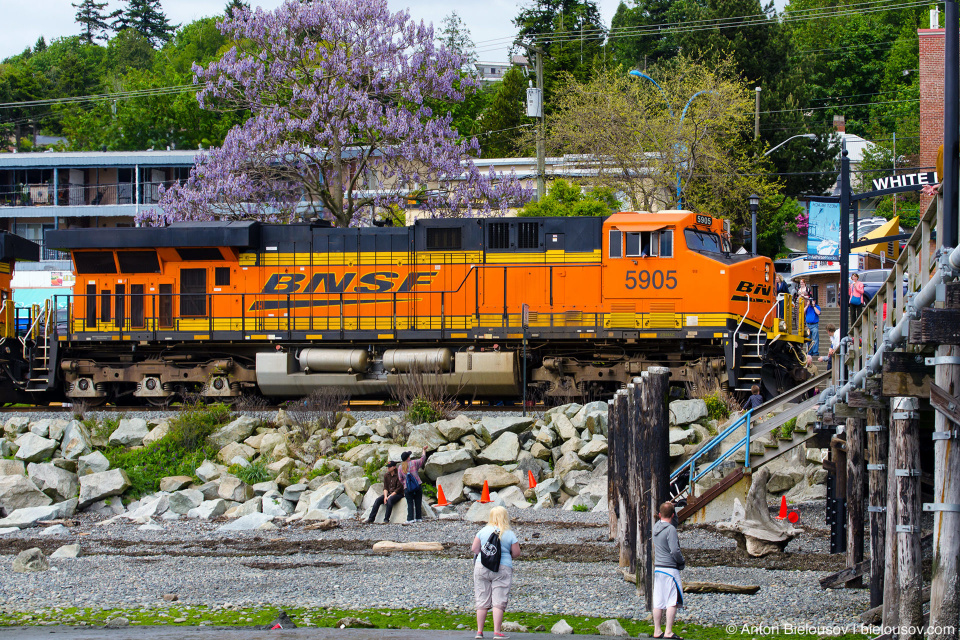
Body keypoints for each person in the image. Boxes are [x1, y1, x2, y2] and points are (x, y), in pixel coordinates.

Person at [472, 506, 520, 640]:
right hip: (502, 567)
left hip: (482, 566)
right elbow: (516, 553)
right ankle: (497, 632)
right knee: (499, 600)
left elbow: (475, 548)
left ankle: (479, 632)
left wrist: (487, 555)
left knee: (481, 599)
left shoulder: (482, 531)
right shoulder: (509, 533)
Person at [653, 501, 685, 640]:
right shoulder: (670, 529)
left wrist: (670, 510)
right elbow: (674, 550)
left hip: (658, 569)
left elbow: (672, 521)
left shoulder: (656, 527)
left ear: (659, 515)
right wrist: (681, 561)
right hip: (670, 569)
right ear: (672, 515)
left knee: (658, 601)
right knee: (672, 600)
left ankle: (657, 630)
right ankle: (668, 631)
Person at [398, 446, 428, 524]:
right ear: (408, 458)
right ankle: (418, 517)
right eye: (409, 456)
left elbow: (400, 478)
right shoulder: (414, 463)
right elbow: (423, 459)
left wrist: (405, 484)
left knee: (410, 503)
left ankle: (410, 518)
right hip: (417, 485)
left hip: (407, 487)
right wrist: (423, 450)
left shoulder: (400, 467)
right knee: (418, 501)